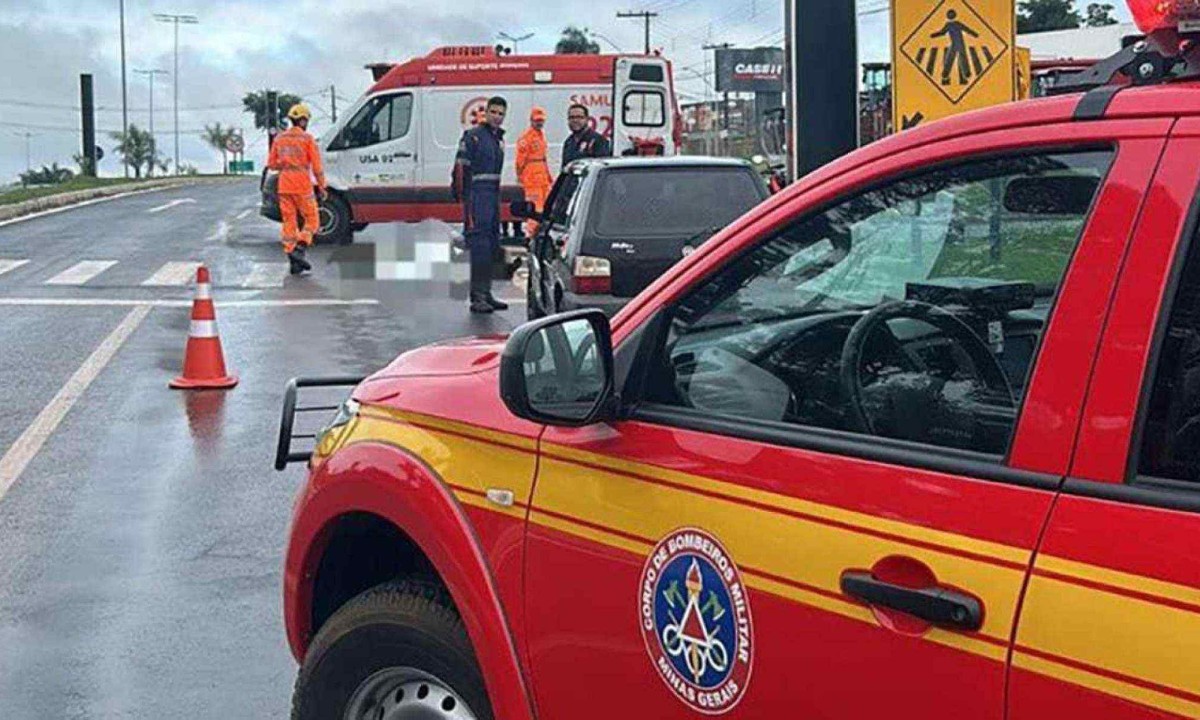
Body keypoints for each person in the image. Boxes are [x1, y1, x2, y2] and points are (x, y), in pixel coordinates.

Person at [452, 96, 509, 314]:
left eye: (501, 113)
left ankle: (486, 293)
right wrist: (465, 197)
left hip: (493, 194)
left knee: (492, 244)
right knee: (478, 245)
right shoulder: (473, 137)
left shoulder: (499, 139)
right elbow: (460, 168)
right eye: (493, 112)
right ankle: (477, 296)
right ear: (485, 113)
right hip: (477, 195)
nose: (497, 117)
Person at [267, 103, 328, 275]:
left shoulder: (279, 139)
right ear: (302, 121)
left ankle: (293, 260)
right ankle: (300, 248)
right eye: (306, 120)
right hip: (302, 185)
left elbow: (272, 164)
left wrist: (286, 165)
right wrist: (322, 186)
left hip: (284, 185)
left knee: (289, 223)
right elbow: (316, 166)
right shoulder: (307, 139)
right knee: (312, 220)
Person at [516, 106, 553, 238]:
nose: (539, 123)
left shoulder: (541, 135)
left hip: (542, 175)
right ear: (531, 120)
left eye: (541, 120)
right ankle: (530, 235)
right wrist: (520, 177)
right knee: (534, 208)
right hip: (532, 177)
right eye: (537, 120)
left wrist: (548, 176)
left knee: (545, 206)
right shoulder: (526, 138)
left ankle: (539, 233)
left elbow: (543, 158)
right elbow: (520, 160)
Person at [562, 103, 611, 169]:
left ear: (587, 119)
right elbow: (564, 168)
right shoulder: (568, 142)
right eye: (572, 117)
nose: (575, 120)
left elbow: (603, 169)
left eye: (579, 117)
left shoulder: (598, 140)